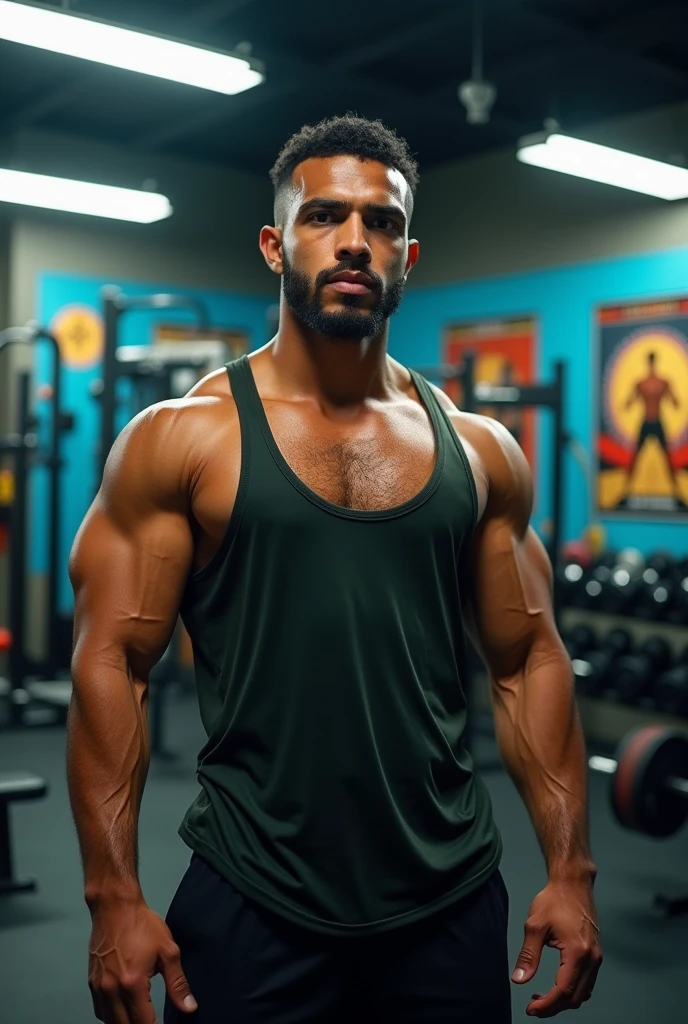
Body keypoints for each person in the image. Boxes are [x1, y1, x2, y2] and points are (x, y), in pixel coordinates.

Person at [67, 114, 602, 1024]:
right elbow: (110, 663)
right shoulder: (184, 439)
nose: (355, 241)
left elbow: (527, 660)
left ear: (409, 253)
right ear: (275, 245)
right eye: (324, 216)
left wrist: (570, 868)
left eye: (382, 223)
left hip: (449, 898)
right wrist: (112, 896)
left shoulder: (482, 452)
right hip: (253, 894)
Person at [622, 349, 681, 502]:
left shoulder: (659, 382)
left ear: (650, 363)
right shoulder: (643, 383)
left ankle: (676, 491)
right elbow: (630, 401)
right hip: (647, 421)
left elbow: (674, 401)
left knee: (666, 456)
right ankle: (626, 489)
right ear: (652, 363)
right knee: (636, 456)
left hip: (656, 421)